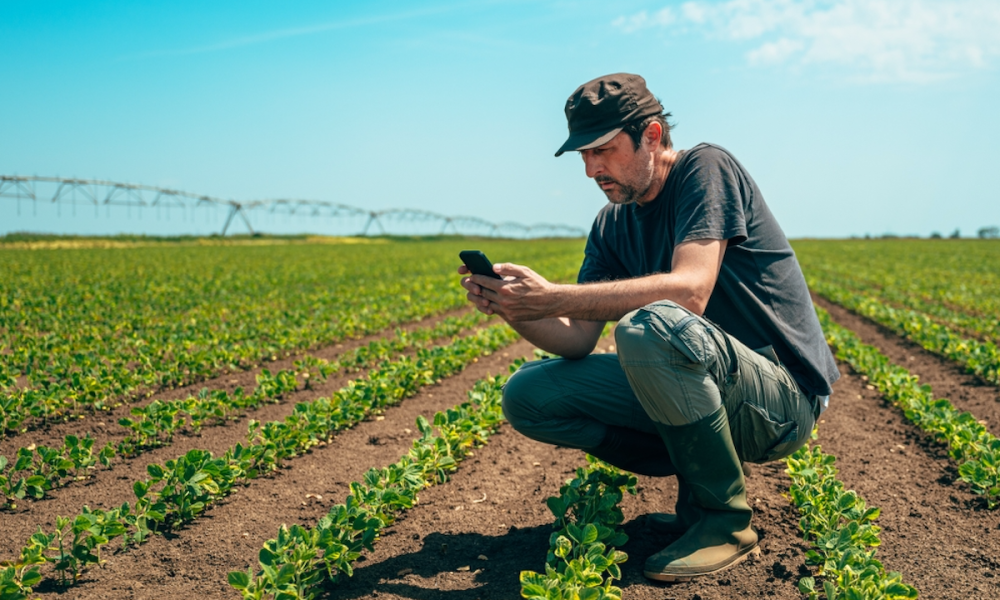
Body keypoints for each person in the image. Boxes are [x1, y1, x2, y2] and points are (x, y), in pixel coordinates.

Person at [458, 73, 839, 582]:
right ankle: (694, 491)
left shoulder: (706, 169)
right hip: (711, 387)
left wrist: (553, 295)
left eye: (604, 151)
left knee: (649, 325)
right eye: (584, 156)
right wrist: (518, 308)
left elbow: (690, 291)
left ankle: (724, 521)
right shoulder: (611, 223)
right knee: (528, 394)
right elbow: (575, 337)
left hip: (780, 400)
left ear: (652, 136)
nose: (592, 169)